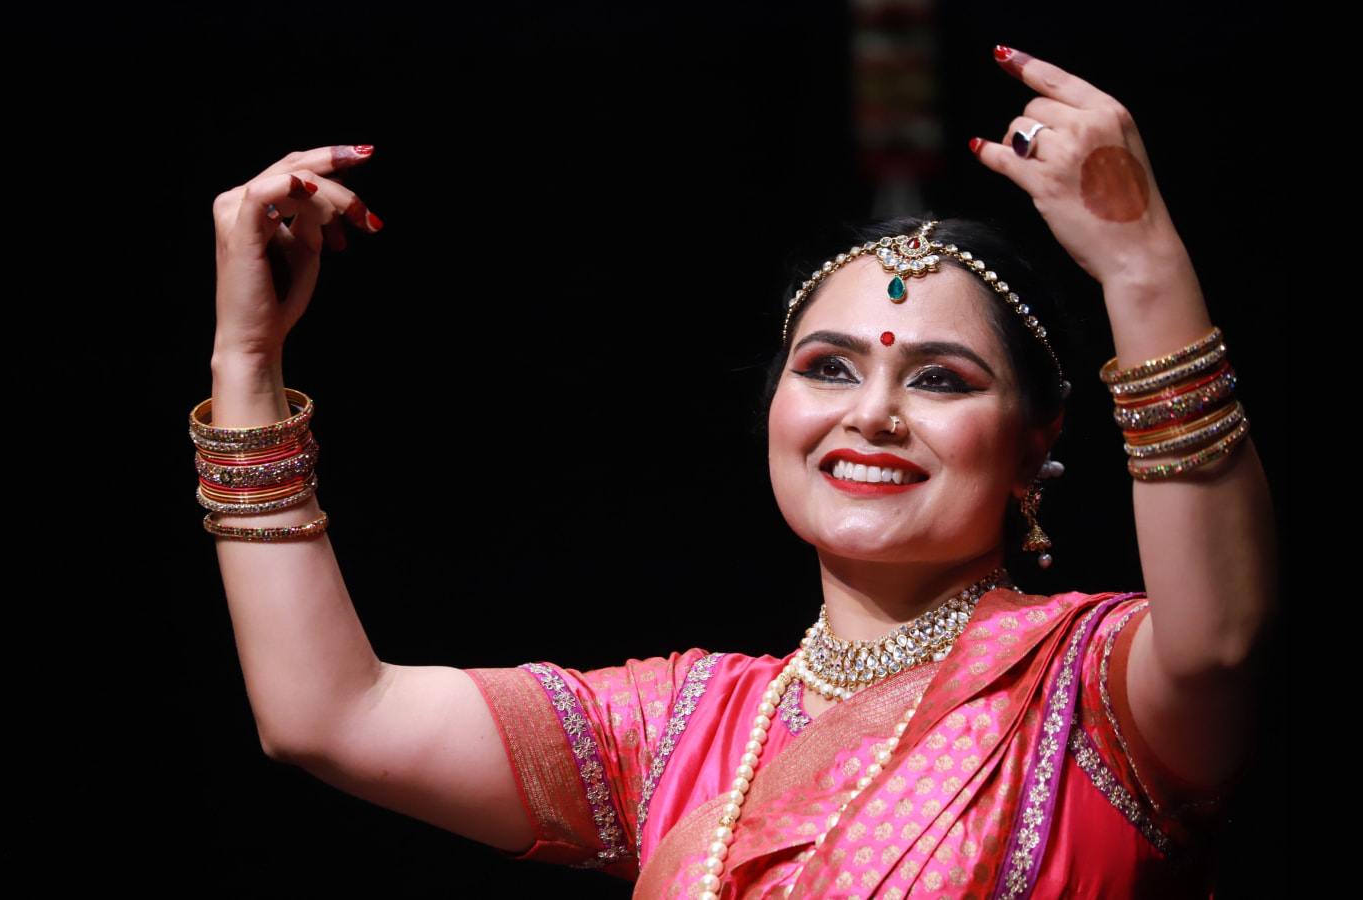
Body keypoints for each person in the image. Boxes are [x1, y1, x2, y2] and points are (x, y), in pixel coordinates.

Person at [192, 47, 1273, 898]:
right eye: (826, 367)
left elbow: (1220, 636)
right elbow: (327, 714)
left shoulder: (1096, 692)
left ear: (1037, 441)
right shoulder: (676, 733)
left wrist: (1141, 265)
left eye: (941, 380)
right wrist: (246, 363)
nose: (872, 414)